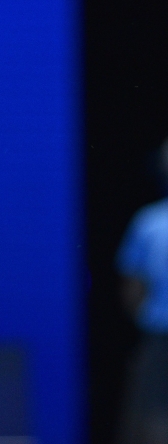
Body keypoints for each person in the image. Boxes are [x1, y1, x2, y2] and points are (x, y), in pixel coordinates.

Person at [117, 137, 168, 444]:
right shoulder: (148, 223)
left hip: (159, 338)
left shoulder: (148, 223)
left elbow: (132, 291)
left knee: (153, 418)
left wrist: (147, 319)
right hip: (159, 338)